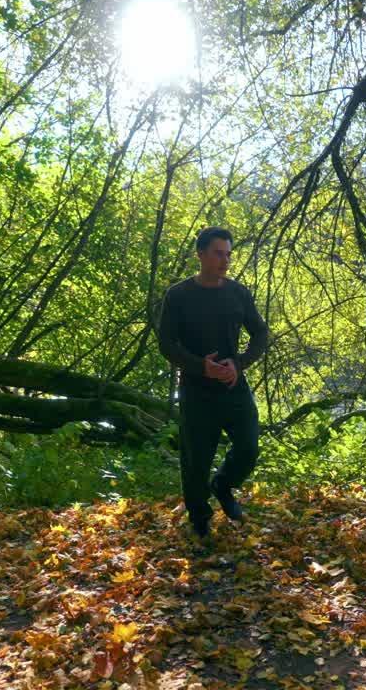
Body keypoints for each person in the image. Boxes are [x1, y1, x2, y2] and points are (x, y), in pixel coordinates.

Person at [157, 227, 269, 540]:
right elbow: (165, 343)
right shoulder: (178, 295)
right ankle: (200, 518)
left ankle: (223, 484)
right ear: (201, 254)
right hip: (196, 390)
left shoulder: (237, 293)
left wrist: (240, 362)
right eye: (219, 253)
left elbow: (260, 333)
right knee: (196, 459)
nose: (226, 260)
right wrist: (199, 367)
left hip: (234, 386)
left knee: (248, 447)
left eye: (229, 254)